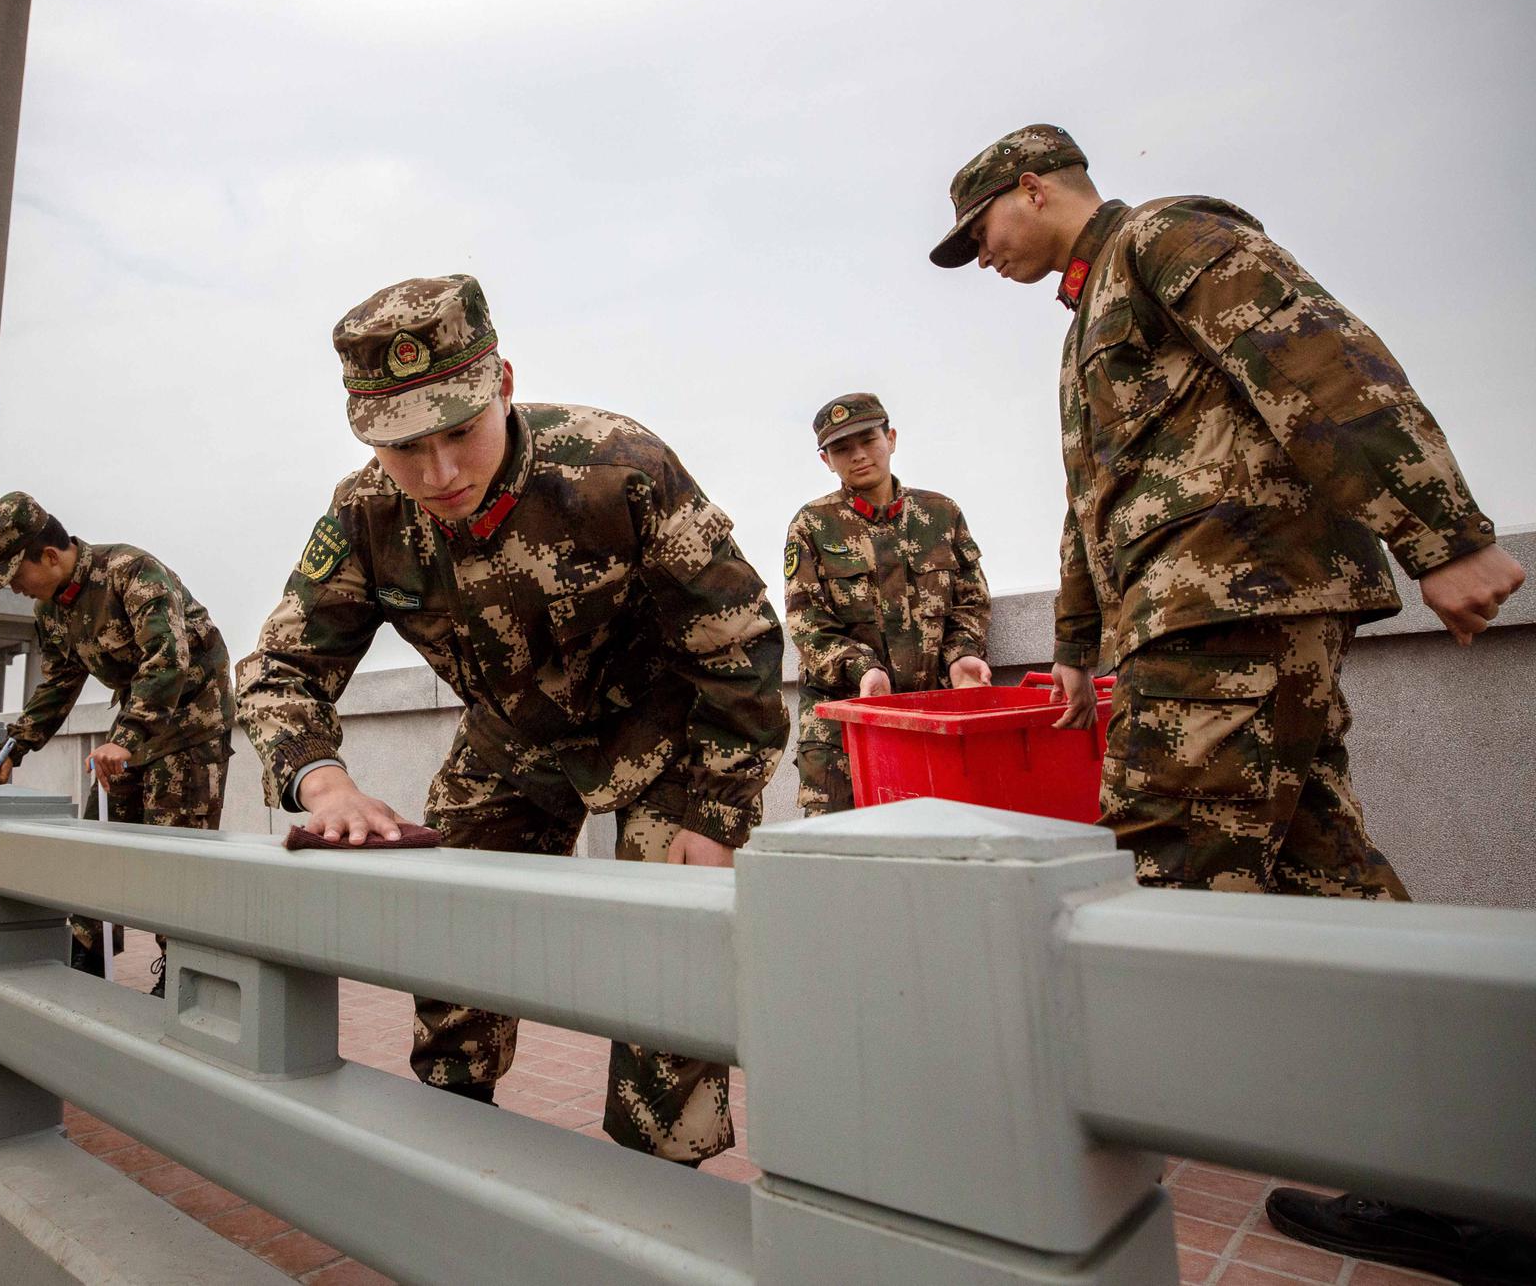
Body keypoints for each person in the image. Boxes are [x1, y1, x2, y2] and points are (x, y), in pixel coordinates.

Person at [932, 123, 1529, 1281]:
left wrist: (1442, 536)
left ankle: (1039, 1188)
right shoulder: (1088, 318)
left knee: (1154, 870)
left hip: (1232, 602)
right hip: (1194, 614)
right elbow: (1095, 501)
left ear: (1031, 188)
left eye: (980, 229)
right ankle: (1466, 1175)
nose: (981, 255)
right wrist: (1071, 646)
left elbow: (1316, 365)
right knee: (1324, 882)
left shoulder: (1165, 238)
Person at [235, 274, 789, 1166]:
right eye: (404, 446)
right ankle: (457, 1156)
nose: (440, 473)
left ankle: (656, 1195)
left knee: (674, 969)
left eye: (461, 430)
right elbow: (278, 669)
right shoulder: (367, 514)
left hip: (664, 734)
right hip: (510, 739)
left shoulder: (618, 468)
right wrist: (322, 782)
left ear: (502, 384)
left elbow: (740, 640)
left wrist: (717, 814)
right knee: (451, 941)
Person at [0, 492, 236, 992]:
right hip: (135, 726)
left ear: (50, 556)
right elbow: (57, 685)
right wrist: (12, 751)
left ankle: (183, 976)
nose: (15, 589)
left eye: (16, 576)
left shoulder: (130, 571)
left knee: (176, 857)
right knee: (98, 841)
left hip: (191, 724)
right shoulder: (51, 612)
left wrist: (126, 738)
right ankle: (87, 957)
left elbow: (168, 658)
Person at [784, 392, 992, 814]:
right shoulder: (813, 525)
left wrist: (961, 655)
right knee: (837, 843)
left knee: (938, 834)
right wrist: (865, 669)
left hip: (929, 717)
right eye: (842, 448)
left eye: (868, 440)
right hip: (844, 723)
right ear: (826, 460)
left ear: (891, 438)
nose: (859, 455)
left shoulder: (941, 514)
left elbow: (971, 600)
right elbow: (807, 622)